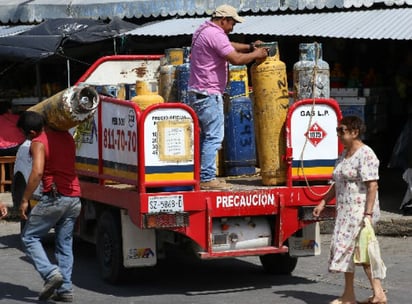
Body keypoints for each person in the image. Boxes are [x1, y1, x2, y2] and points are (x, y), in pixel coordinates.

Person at [188, 4, 268, 190]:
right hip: (208, 93)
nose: (233, 27)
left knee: (205, 137)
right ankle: (207, 178)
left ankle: (201, 175)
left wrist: (249, 47)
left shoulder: (204, 30)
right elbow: (236, 59)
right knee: (214, 136)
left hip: (199, 92)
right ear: (223, 20)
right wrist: (256, 54)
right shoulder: (215, 34)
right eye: (232, 23)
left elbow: (227, 46)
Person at [313, 116, 387, 304]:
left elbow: (372, 186)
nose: (338, 134)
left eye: (342, 130)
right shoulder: (344, 155)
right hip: (344, 212)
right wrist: (323, 202)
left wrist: (368, 214)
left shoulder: (366, 154)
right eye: (338, 130)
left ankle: (360, 295)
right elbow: (337, 183)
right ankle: (360, 294)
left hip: (359, 212)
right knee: (353, 252)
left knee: (358, 250)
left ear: (355, 132)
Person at [17, 110, 81, 302]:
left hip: (55, 198)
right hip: (74, 198)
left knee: (29, 237)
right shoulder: (66, 136)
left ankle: (50, 273)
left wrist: (24, 199)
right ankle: (65, 290)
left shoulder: (38, 142)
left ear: (31, 133)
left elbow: (37, 172)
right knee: (64, 244)